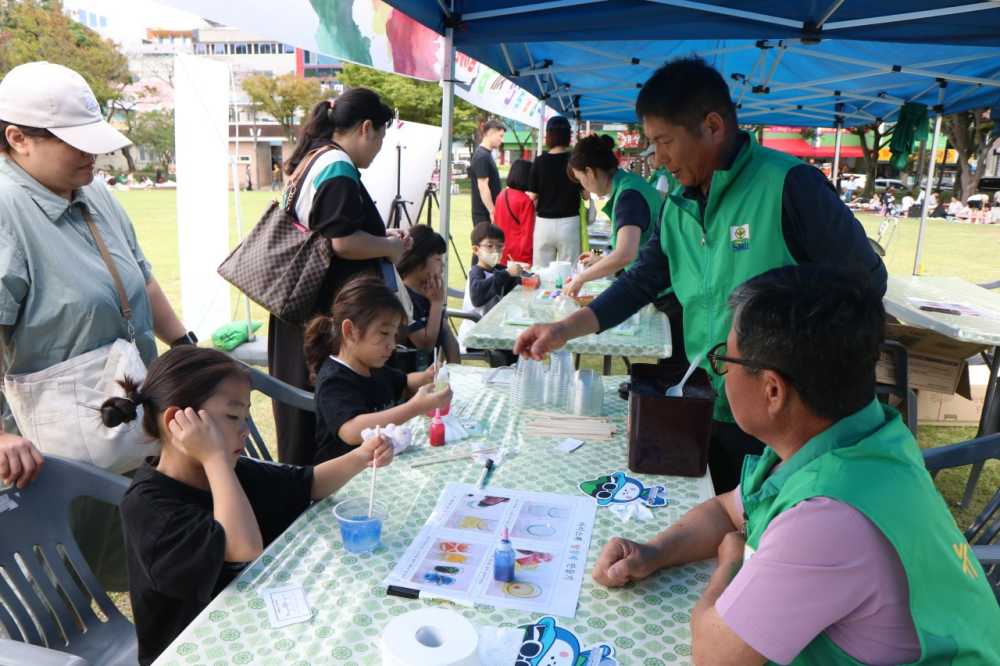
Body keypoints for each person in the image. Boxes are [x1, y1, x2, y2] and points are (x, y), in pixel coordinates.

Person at [591, 265, 1000, 665]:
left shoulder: (829, 518)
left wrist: (732, 564)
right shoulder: (859, 437)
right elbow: (727, 511)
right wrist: (653, 552)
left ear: (772, 390)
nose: (720, 378)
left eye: (725, 362)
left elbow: (715, 655)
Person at [515, 57, 886, 493]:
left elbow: (865, 283)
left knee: (772, 539)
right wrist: (562, 330)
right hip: (714, 400)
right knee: (719, 523)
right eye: (652, 144)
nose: (659, 157)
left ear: (713, 126)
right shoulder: (679, 206)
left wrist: (788, 338)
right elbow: (639, 282)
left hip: (792, 420)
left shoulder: (789, 185)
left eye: (665, 141)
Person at [0, 61, 193, 589]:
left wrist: (183, 344)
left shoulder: (96, 193)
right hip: (57, 441)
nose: (93, 154)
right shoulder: (6, 210)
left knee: (140, 550)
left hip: (132, 417)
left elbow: (144, 282)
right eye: (74, 142)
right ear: (17, 138)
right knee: (69, 578)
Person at [108, 346, 395, 664]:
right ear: (180, 422)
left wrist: (362, 455)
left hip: (258, 626)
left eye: (245, 416)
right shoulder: (150, 510)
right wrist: (215, 457)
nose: (245, 429)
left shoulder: (229, 471)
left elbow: (307, 483)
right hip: (196, 650)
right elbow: (242, 547)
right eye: (233, 417)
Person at [267, 90, 406, 466]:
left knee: (303, 419)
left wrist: (380, 239)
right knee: (322, 421)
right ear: (365, 129)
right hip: (319, 310)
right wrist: (388, 248)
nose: (378, 149)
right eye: (379, 137)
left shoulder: (315, 158)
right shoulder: (338, 166)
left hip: (303, 308)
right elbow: (342, 242)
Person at [306, 278, 451, 463]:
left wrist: (428, 376)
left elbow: (405, 381)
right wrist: (416, 406)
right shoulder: (334, 380)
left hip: (384, 466)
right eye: (384, 334)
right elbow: (351, 430)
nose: (392, 345)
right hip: (346, 481)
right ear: (350, 331)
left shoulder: (373, 366)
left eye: (394, 335)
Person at [563, 135, 662, 301]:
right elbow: (635, 248)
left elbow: (625, 254)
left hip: (657, 288)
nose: (583, 186)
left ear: (589, 172)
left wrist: (581, 278)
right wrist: (602, 260)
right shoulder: (630, 184)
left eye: (581, 180)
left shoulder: (628, 195)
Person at [397, 224, 460, 363]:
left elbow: (449, 340)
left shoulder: (428, 294)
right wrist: (436, 304)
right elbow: (425, 345)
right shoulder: (402, 296)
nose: (442, 267)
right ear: (418, 260)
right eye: (438, 259)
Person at [458, 222, 523, 347]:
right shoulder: (475, 272)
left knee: (522, 341)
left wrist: (522, 277)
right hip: (475, 334)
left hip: (493, 329)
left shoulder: (498, 270)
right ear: (476, 249)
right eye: (489, 246)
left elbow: (511, 288)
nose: (496, 251)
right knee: (514, 347)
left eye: (500, 247)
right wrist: (507, 273)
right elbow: (478, 297)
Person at [529, 116, 582, 266]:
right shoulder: (575, 161)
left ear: (548, 136)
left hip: (544, 223)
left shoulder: (539, 161)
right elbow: (585, 194)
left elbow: (533, 195)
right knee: (570, 271)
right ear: (568, 136)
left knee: (541, 270)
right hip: (570, 222)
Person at [493, 159, 535, 266]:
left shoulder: (501, 195)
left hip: (501, 250)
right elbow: (528, 233)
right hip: (519, 255)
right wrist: (527, 258)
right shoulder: (526, 201)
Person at [470, 119, 505, 225]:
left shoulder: (487, 154)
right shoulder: (482, 156)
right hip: (483, 214)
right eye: (500, 136)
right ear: (490, 133)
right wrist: (492, 211)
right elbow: (483, 185)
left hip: (487, 213)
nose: (502, 140)